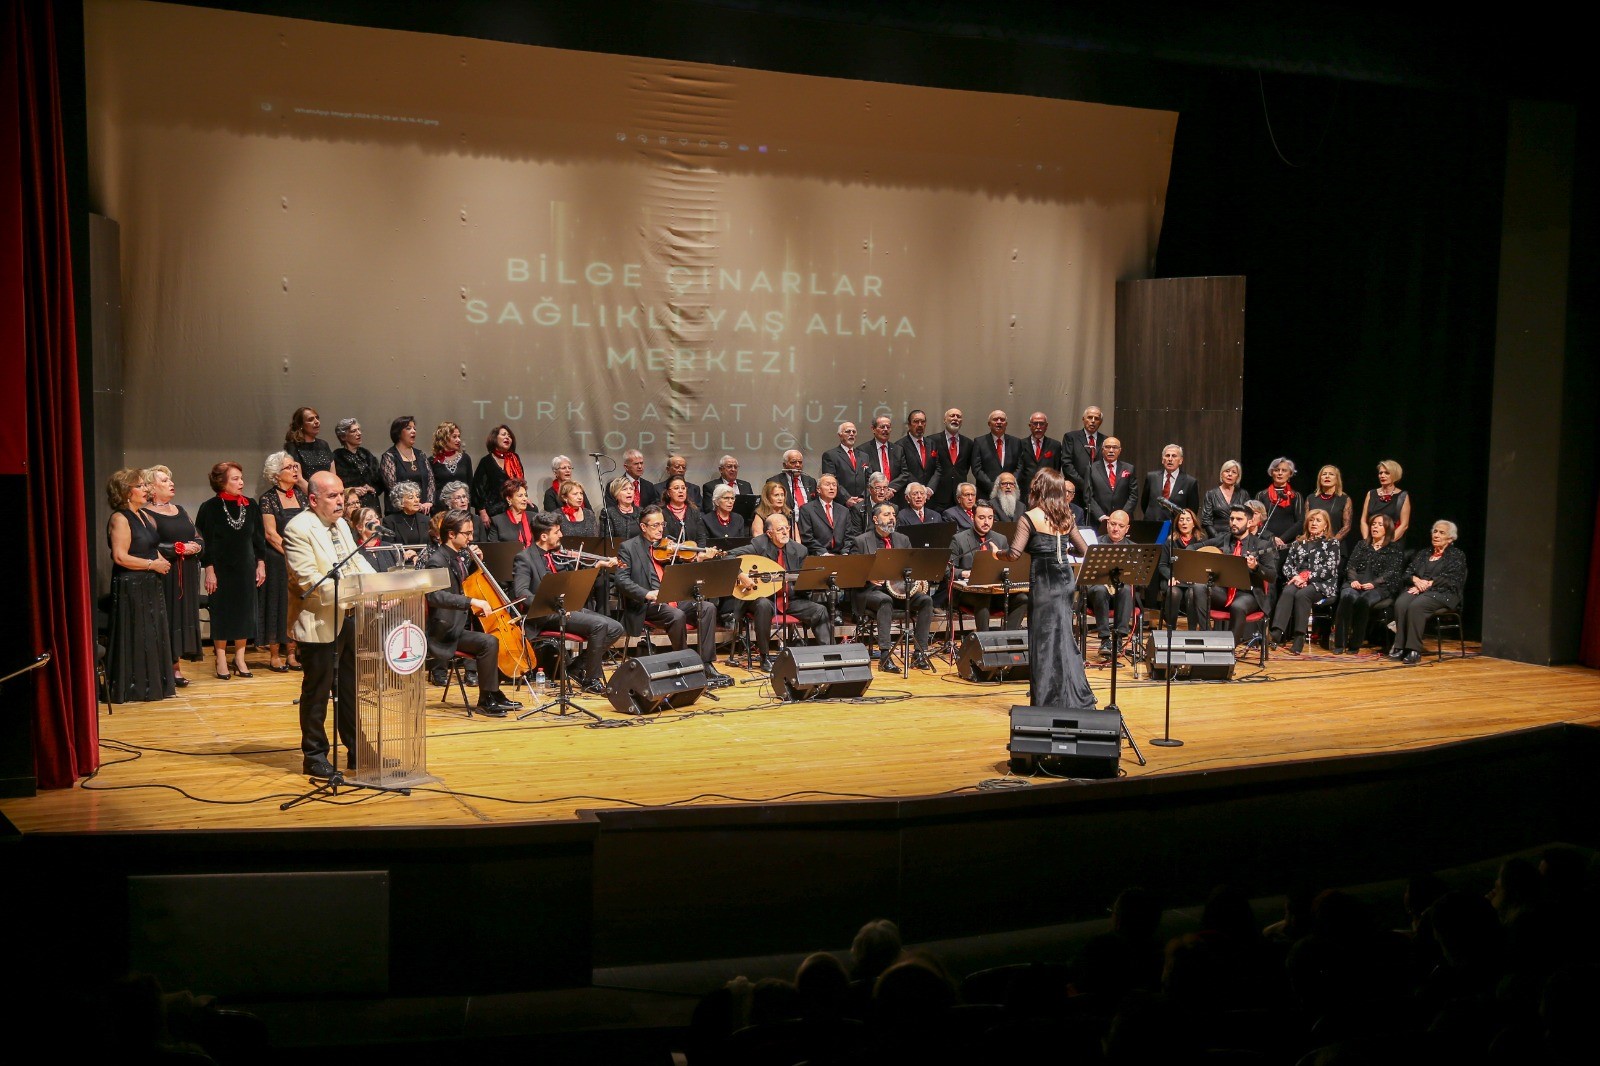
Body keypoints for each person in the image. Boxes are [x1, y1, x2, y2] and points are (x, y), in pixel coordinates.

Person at [283, 471, 380, 777]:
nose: (340, 501)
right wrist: (360, 593)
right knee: (318, 690)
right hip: (318, 620)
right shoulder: (298, 528)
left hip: (349, 617)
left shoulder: (340, 523)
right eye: (332, 496)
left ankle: (357, 752)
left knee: (351, 689)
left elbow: (356, 563)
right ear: (313, 500)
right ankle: (314, 755)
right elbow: (308, 578)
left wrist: (379, 588)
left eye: (341, 494)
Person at [997, 467, 1096, 708]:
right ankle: (1071, 694)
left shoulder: (1030, 517)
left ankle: (1046, 698)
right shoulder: (1066, 516)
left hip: (1044, 582)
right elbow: (1085, 551)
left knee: (1043, 639)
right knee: (1063, 636)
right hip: (1065, 581)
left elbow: (1014, 554)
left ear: (1039, 488)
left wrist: (996, 553)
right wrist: (1062, 550)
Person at [613, 506, 733, 688]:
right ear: (643, 527)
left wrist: (699, 559)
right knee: (676, 615)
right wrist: (646, 593)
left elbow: (684, 569)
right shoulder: (628, 548)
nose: (660, 529)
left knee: (707, 608)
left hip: (674, 598)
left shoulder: (668, 545)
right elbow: (621, 580)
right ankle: (685, 662)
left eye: (662, 524)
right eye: (655, 525)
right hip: (647, 604)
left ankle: (707, 664)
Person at [419, 509, 523, 716]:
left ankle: (493, 693)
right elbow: (435, 597)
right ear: (451, 534)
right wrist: (472, 601)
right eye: (466, 533)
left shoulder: (459, 557)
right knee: (488, 642)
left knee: (493, 638)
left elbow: (467, 584)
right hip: (445, 631)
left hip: (461, 624)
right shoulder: (437, 561)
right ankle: (486, 698)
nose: (471, 538)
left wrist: (476, 562)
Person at [512, 511, 624, 694]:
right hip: (544, 615)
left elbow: (573, 579)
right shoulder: (524, 558)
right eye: (557, 532)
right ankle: (591, 678)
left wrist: (595, 567)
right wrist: (551, 605)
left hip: (567, 608)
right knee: (600, 625)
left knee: (616, 628)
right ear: (544, 536)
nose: (561, 535)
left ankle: (575, 667)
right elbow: (521, 592)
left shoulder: (557, 554)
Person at [722, 512, 833, 668]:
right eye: (780, 529)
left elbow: (803, 581)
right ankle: (764, 656)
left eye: (786, 528)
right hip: (762, 599)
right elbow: (727, 557)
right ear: (769, 533)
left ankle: (828, 655)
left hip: (790, 599)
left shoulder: (800, 550)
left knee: (819, 610)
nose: (785, 532)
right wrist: (741, 575)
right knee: (763, 605)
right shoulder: (758, 545)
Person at [104, 469, 175, 702]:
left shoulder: (143, 515)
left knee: (151, 635)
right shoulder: (120, 518)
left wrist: (160, 559)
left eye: (145, 485)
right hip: (131, 586)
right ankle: (132, 688)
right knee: (136, 634)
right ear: (126, 491)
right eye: (140, 486)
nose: (146, 489)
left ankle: (151, 686)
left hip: (149, 584)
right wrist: (151, 565)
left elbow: (150, 545)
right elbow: (120, 557)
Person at [194, 461, 266, 680]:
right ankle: (222, 658)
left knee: (245, 612)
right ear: (221, 482)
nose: (241, 482)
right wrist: (209, 570)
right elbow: (204, 541)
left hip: (245, 567)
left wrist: (261, 564)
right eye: (235, 478)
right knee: (223, 613)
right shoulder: (210, 507)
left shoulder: (251, 505)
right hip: (221, 569)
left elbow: (258, 539)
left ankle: (240, 657)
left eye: (241, 477)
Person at [850, 503, 933, 671]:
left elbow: (911, 567)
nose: (892, 518)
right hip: (871, 591)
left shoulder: (903, 539)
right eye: (887, 514)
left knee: (926, 600)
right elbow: (853, 572)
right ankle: (885, 656)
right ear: (875, 519)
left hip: (900, 590)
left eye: (893, 514)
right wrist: (869, 576)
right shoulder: (860, 541)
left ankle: (919, 653)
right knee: (885, 601)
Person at [143, 465, 203, 686]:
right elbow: (150, 544)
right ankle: (165, 669)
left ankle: (175, 666)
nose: (171, 483)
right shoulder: (146, 513)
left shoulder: (179, 509)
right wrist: (178, 549)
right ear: (151, 487)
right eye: (164, 480)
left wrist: (195, 547)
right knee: (166, 617)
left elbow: (197, 536)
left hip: (186, 572)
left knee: (181, 617)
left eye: (170, 479)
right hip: (165, 573)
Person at [1389, 520, 1467, 665]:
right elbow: (1407, 574)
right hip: (1419, 589)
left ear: (1450, 539)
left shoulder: (1456, 555)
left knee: (1417, 606)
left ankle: (1413, 649)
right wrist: (1416, 580)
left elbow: (1453, 580)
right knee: (1401, 603)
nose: (1436, 535)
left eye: (1441, 533)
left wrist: (1429, 584)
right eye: (1435, 531)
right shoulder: (1423, 553)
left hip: (1444, 593)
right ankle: (1399, 645)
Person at [1200, 503, 1279, 644]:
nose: (1233, 523)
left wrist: (1256, 567)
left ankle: (1229, 648)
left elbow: (1272, 576)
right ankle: (1206, 637)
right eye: (1231, 519)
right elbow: (1194, 546)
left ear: (1249, 522)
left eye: (1239, 519)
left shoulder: (1262, 545)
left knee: (1238, 606)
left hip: (1249, 594)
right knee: (1197, 588)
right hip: (1224, 591)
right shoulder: (1223, 539)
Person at [257, 451, 307, 673]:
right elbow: (270, 534)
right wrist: (292, 552)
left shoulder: (302, 496)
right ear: (277, 474)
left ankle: (292, 652)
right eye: (289, 468)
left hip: (301, 559)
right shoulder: (268, 498)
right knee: (278, 604)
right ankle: (275, 654)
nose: (295, 470)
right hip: (278, 559)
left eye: (295, 466)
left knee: (296, 605)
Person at [1269, 508, 1342, 654]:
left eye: (1318, 520)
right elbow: (1287, 565)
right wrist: (1296, 577)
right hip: (1297, 581)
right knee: (1288, 591)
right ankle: (1276, 632)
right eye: (1311, 520)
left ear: (1326, 525)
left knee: (1303, 595)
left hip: (1321, 584)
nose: (1314, 523)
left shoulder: (1332, 543)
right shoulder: (1298, 543)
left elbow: (1330, 569)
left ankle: (1299, 637)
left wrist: (1306, 577)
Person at [1332, 514, 1405, 653]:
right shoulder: (1362, 544)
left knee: (1363, 601)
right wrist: (1353, 580)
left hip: (1379, 587)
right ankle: (1339, 644)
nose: (1375, 527)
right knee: (1347, 598)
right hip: (1356, 583)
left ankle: (1355, 644)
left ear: (1387, 528)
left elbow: (1392, 572)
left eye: (1379, 524)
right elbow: (1351, 566)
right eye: (1373, 524)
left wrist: (1374, 584)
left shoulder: (1394, 549)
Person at [949, 501, 1027, 631]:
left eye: (990, 518)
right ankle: (984, 640)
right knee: (983, 598)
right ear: (972, 517)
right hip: (969, 594)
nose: (986, 522)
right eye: (981, 518)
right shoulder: (959, 539)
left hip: (996, 592)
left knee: (1022, 599)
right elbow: (948, 569)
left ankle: (1007, 637)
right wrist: (964, 573)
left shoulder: (1000, 539)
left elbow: (1010, 566)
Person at [1084, 509, 1139, 659]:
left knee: (1126, 589)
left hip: (1121, 595)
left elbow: (1139, 580)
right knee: (1100, 589)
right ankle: (1105, 639)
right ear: (1107, 524)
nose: (1116, 528)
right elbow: (1086, 575)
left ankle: (1119, 638)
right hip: (1097, 593)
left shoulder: (1134, 548)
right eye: (1113, 524)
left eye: (1121, 526)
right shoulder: (1094, 543)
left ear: (1127, 529)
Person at [1155, 507, 1206, 632]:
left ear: (1194, 523)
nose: (1184, 523)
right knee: (1174, 593)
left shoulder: (1202, 540)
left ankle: (1192, 631)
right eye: (1181, 520)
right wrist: (1171, 576)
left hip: (1192, 580)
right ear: (1177, 523)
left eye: (1188, 519)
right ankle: (1171, 629)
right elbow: (1162, 565)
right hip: (1173, 579)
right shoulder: (1170, 541)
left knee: (1192, 593)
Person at [379, 415, 433, 515]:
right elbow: (393, 488)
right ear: (398, 433)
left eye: (414, 428)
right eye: (408, 428)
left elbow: (430, 480)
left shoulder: (421, 455)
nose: (413, 431)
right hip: (399, 513)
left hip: (422, 511)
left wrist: (428, 502)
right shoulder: (389, 456)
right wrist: (412, 503)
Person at [472, 424, 524, 521]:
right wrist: (482, 512)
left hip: (513, 504)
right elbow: (478, 489)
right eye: (503, 434)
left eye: (509, 436)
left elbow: (521, 483)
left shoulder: (515, 458)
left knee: (532, 509)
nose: (507, 437)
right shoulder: (486, 461)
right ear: (494, 439)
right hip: (493, 509)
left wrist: (524, 497)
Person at [1085, 436, 1139, 528]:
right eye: (1107, 447)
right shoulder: (1091, 468)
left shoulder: (1129, 468)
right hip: (1099, 521)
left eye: (1114, 447)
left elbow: (1133, 495)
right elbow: (1088, 496)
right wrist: (1101, 516)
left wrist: (1122, 515)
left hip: (1123, 521)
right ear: (1102, 450)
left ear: (1120, 450)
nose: (1111, 450)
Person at [331, 418, 385, 509]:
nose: (359, 433)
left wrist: (373, 488)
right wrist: (351, 490)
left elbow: (380, 480)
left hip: (371, 503)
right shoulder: (337, 456)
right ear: (343, 436)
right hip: (350, 504)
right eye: (353, 431)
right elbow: (334, 486)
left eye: (359, 430)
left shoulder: (366, 454)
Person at [971, 409, 1023, 500]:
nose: (999, 422)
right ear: (989, 424)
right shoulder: (979, 442)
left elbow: (1020, 466)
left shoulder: (1016, 442)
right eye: (995, 419)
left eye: (1002, 420)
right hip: (986, 492)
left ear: (1006, 424)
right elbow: (976, 469)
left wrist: (1009, 483)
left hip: (1010, 493)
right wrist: (994, 486)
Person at [1361, 459, 1412, 546]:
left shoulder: (1402, 496)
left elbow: (1404, 525)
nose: (1382, 476)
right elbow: (1363, 520)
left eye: (1387, 473)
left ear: (1395, 475)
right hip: (1371, 543)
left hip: (1392, 543)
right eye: (1380, 473)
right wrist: (1367, 541)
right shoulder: (1371, 494)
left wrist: (1386, 543)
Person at [1256, 457, 1304, 550]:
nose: (1280, 473)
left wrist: (1282, 539)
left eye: (1284, 470)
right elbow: (1256, 520)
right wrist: (1271, 538)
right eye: (1277, 470)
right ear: (1271, 473)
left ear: (1290, 474)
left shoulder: (1295, 496)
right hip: (1265, 542)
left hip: (1287, 543)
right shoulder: (1261, 495)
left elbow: (1300, 521)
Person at [1142, 444, 1200, 520]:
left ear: (1181, 460)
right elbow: (1144, 503)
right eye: (1167, 455)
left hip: (1175, 526)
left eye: (1174, 456)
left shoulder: (1190, 482)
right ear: (1163, 460)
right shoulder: (1152, 477)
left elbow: (1192, 511)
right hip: (1152, 525)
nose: (1170, 459)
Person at [930, 407, 973, 509]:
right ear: (945, 420)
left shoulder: (968, 443)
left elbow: (965, 467)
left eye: (958, 417)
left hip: (959, 496)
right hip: (938, 495)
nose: (955, 418)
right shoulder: (932, 441)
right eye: (952, 416)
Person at [797, 473, 850, 554]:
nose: (832, 488)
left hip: (841, 556)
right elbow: (807, 537)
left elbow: (849, 536)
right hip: (818, 555)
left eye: (834, 485)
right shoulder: (806, 509)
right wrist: (824, 553)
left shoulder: (844, 510)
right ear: (818, 489)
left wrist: (845, 552)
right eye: (827, 485)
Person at [862, 414, 909, 501]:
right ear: (873, 429)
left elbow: (905, 473)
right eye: (882, 427)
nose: (886, 430)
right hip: (873, 498)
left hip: (894, 496)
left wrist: (889, 488)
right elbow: (865, 475)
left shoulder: (898, 449)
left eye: (888, 427)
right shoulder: (863, 450)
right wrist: (881, 489)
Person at [1062, 405, 1106, 498]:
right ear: (1083, 419)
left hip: (1098, 491)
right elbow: (1067, 464)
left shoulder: (1106, 440)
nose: (1093, 421)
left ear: (1100, 422)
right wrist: (1084, 485)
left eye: (1097, 418)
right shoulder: (1071, 437)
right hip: (1076, 489)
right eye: (1090, 417)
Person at [898, 409, 941, 505]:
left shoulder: (931, 443)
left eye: (923, 421)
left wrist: (929, 489)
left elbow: (938, 469)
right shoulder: (900, 446)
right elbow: (904, 471)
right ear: (909, 425)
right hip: (910, 498)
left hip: (930, 497)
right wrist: (920, 489)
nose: (920, 424)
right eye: (916, 421)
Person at [427, 422, 472, 510]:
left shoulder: (465, 458)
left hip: (462, 508)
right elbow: (431, 488)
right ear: (444, 439)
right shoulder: (432, 461)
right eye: (454, 437)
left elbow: (470, 485)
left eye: (459, 436)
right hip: (441, 508)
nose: (458, 440)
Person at [821, 422, 867, 507]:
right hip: (841, 504)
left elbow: (869, 479)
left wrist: (863, 496)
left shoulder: (864, 456)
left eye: (854, 432)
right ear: (840, 435)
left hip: (862, 504)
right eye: (848, 431)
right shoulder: (830, 455)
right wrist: (846, 498)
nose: (851, 434)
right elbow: (831, 480)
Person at [1307, 464, 1353, 546]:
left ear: (1337, 479)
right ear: (1320, 478)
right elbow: (1306, 523)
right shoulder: (1311, 498)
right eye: (1324, 474)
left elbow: (1347, 526)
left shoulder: (1344, 499)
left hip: (1335, 546)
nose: (1327, 476)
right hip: (1312, 545)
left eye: (1331, 474)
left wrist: (1332, 542)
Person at [1016, 411, 1064, 490]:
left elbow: (1056, 469)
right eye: (1035, 423)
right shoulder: (1020, 444)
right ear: (1030, 425)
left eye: (1041, 424)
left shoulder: (1055, 445)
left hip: (1048, 489)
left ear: (1046, 426)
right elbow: (1019, 468)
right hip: (1025, 489)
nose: (1038, 427)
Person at [1200, 460, 1247, 538]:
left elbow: (1247, 517)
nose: (1230, 474)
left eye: (1234, 472)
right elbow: (1206, 521)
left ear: (1238, 477)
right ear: (1221, 474)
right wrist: (1217, 537)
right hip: (1216, 537)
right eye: (1227, 471)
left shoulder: (1243, 494)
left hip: (1238, 536)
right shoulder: (1211, 494)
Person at [659, 475, 709, 545]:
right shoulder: (661, 513)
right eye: (676, 488)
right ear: (668, 493)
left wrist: (700, 552)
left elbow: (701, 537)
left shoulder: (694, 510)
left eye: (683, 488)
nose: (680, 491)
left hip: (693, 553)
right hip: (670, 553)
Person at [488, 478, 535, 547]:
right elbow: (493, 549)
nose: (525, 499)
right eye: (520, 496)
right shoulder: (497, 521)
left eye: (525, 495)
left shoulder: (534, 518)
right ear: (509, 499)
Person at [385, 481, 431, 547]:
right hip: (400, 556)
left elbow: (431, 546)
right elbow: (389, 547)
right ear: (400, 502)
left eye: (417, 496)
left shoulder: (427, 520)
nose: (417, 500)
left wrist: (417, 555)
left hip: (423, 556)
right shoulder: (389, 521)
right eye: (411, 497)